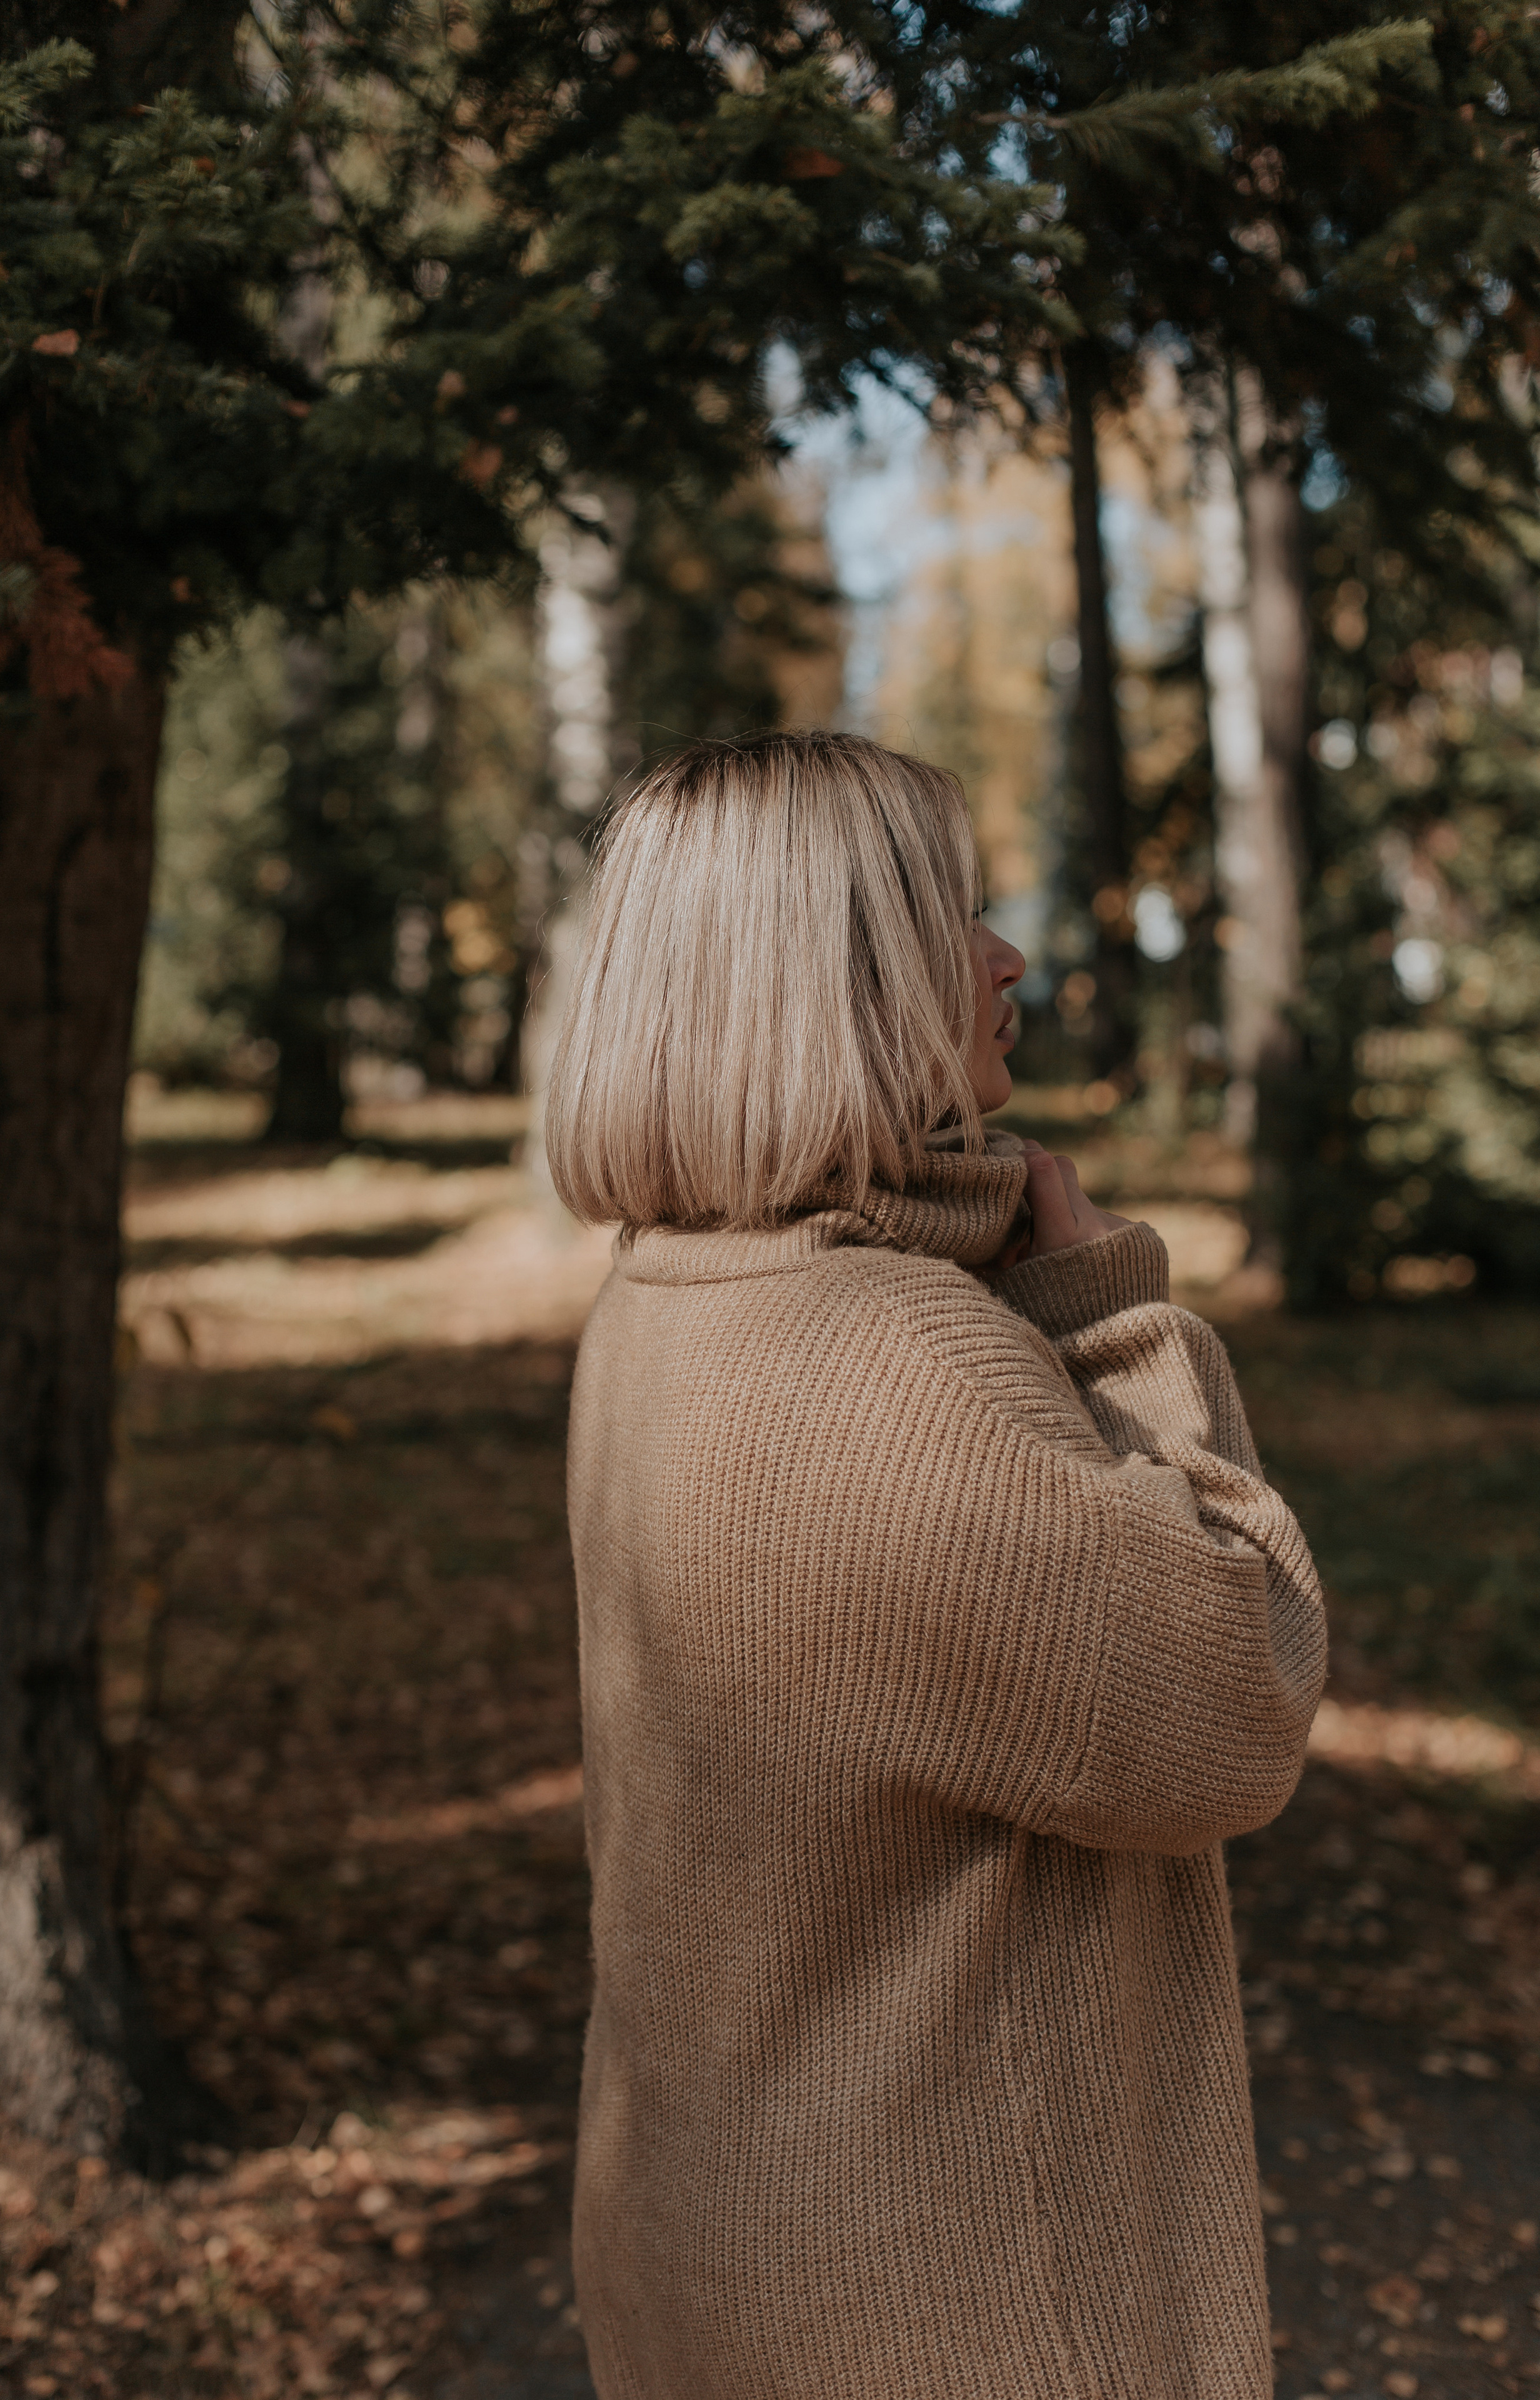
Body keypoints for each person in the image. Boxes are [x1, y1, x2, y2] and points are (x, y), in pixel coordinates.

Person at [545, 730, 1325, 2400]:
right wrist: (1114, 1315)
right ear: (835, 975)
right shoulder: (881, 1354)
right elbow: (1235, 1697)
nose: (1007, 954)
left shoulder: (661, 1295)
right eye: (951, 914)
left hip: (726, 2249)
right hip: (942, 2307)